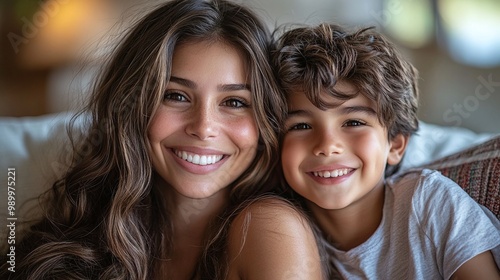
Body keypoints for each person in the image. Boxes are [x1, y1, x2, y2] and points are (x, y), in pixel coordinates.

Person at [0, 1, 322, 279]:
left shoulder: (271, 229)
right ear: (132, 107)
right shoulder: (91, 218)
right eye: (175, 95)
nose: (203, 127)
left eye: (235, 102)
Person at [273, 22, 500, 279]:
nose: (327, 146)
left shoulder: (429, 203)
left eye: (353, 122)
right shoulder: (282, 239)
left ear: (395, 145)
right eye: (301, 125)